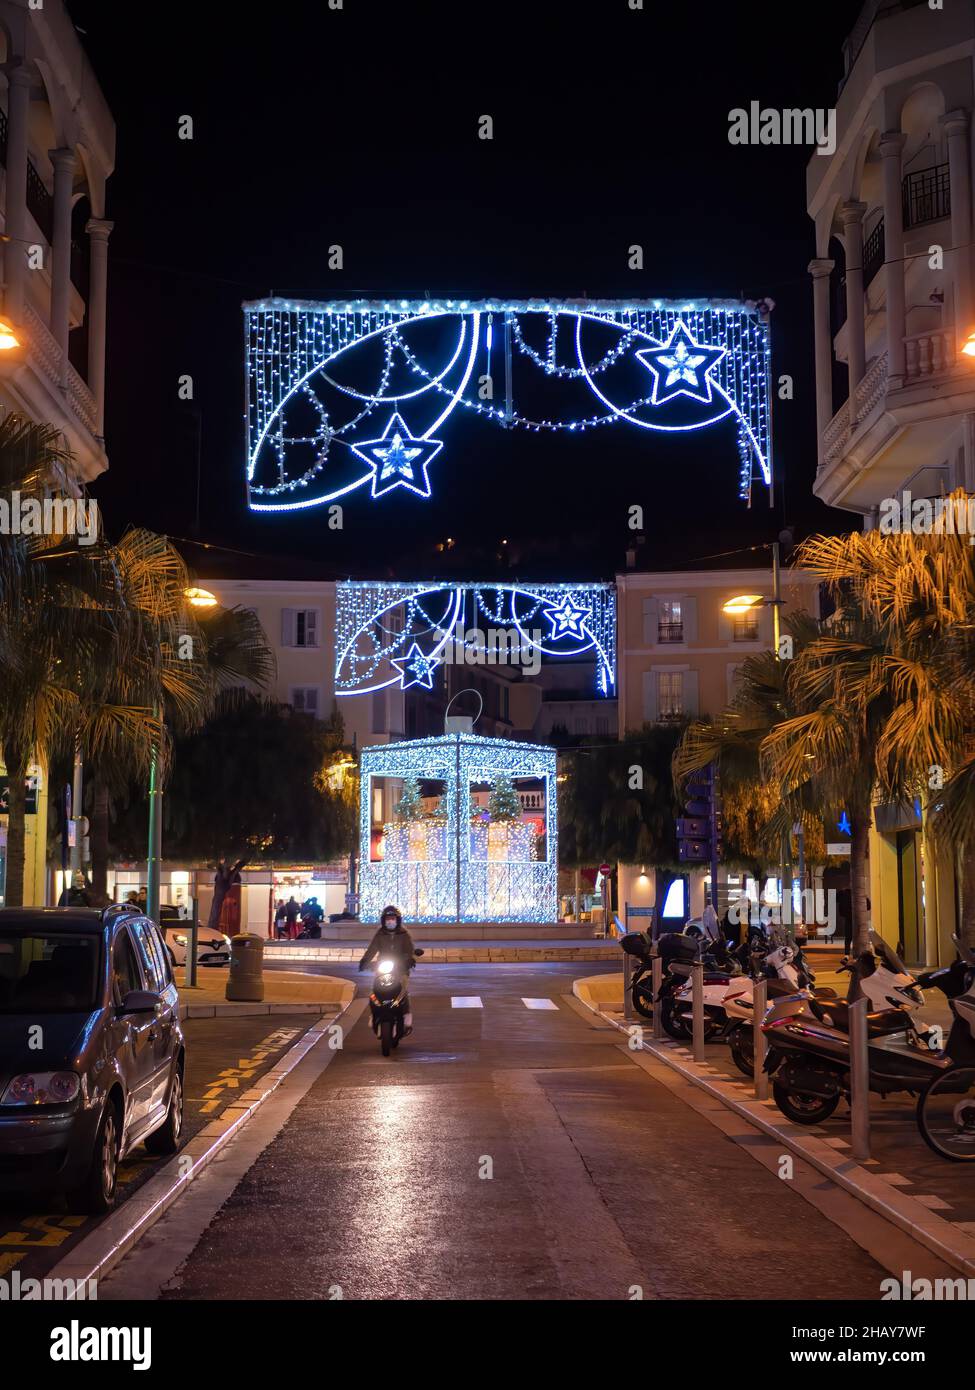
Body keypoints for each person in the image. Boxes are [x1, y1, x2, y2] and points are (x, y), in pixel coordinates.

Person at [358, 904, 418, 1033]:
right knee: (374, 991)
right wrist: (364, 961)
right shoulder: (380, 934)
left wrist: (410, 960)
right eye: (387, 919)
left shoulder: (404, 934)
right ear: (383, 921)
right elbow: (372, 949)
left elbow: (410, 950)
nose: (390, 921)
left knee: (403, 991)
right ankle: (374, 1014)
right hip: (383, 967)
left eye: (392, 919)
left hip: (400, 968)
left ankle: (406, 1014)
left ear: (397, 920)